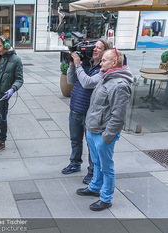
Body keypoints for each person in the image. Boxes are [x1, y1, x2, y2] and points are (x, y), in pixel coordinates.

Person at [76, 49, 133, 211]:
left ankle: (106, 198)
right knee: (97, 163)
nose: (100, 63)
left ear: (114, 63)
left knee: (106, 167)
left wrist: (106, 138)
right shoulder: (107, 77)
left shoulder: (119, 84)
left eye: (104, 60)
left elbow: (119, 117)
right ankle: (94, 188)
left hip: (103, 135)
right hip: (93, 130)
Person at [62, 39, 112, 185]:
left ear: (105, 52)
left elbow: (88, 82)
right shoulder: (85, 63)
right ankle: (75, 163)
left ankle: (92, 171)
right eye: (94, 47)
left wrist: (77, 65)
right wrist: (72, 65)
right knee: (75, 140)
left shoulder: (103, 70)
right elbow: (71, 80)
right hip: (75, 109)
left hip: (90, 113)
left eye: (99, 48)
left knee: (92, 145)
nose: (94, 50)